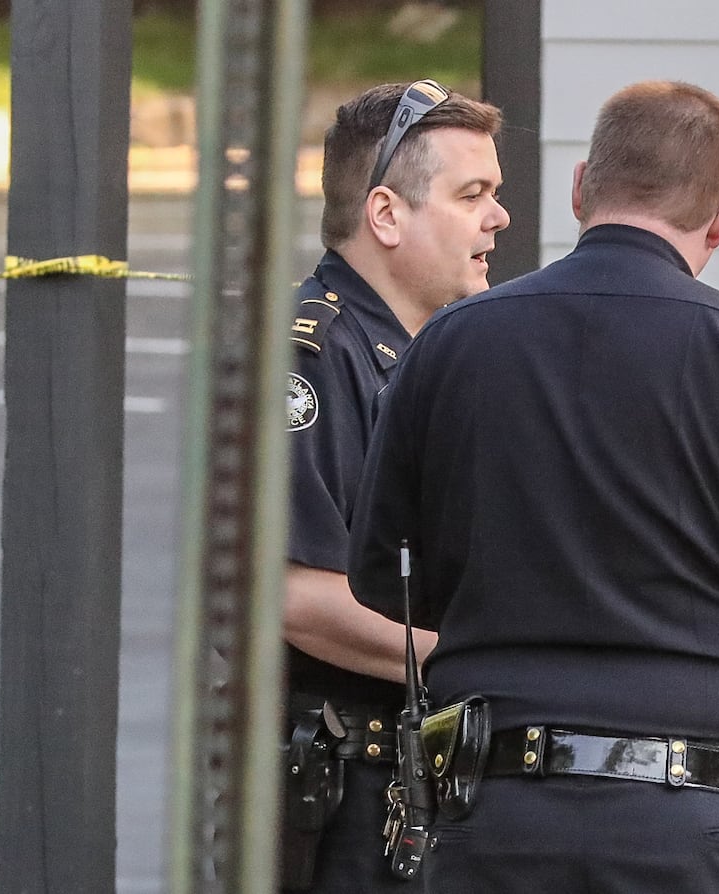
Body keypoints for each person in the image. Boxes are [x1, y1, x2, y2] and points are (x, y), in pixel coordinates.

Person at [347, 80, 719, 893]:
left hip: (497, 810)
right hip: (701, 821)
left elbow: (382, 574)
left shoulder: (449, 345)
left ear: (580, 189)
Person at [281, 80, 510, 891]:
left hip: (428, 779)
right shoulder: (316, 353)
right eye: (473, 194)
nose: (499, 218)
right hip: (346, 793)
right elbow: (300, 598)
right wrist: (499, 668)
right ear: (386, 215)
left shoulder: (440, 353)